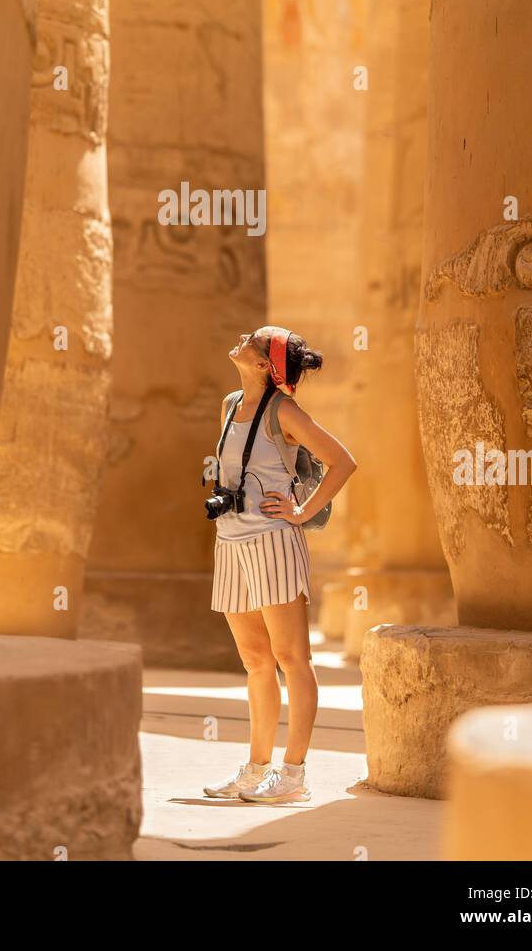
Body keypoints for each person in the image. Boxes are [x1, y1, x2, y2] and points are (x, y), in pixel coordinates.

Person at [203, 326, 357, 804]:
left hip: (273, 541)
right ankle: (255, 769)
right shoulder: (230, 404)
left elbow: (343, 461)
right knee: (254, 661)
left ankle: (293, 776)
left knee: (293, 659)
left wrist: (301, 512)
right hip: (229, 542)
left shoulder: (284, 410)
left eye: (252, 338)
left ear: (265, 364)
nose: (241, 337)